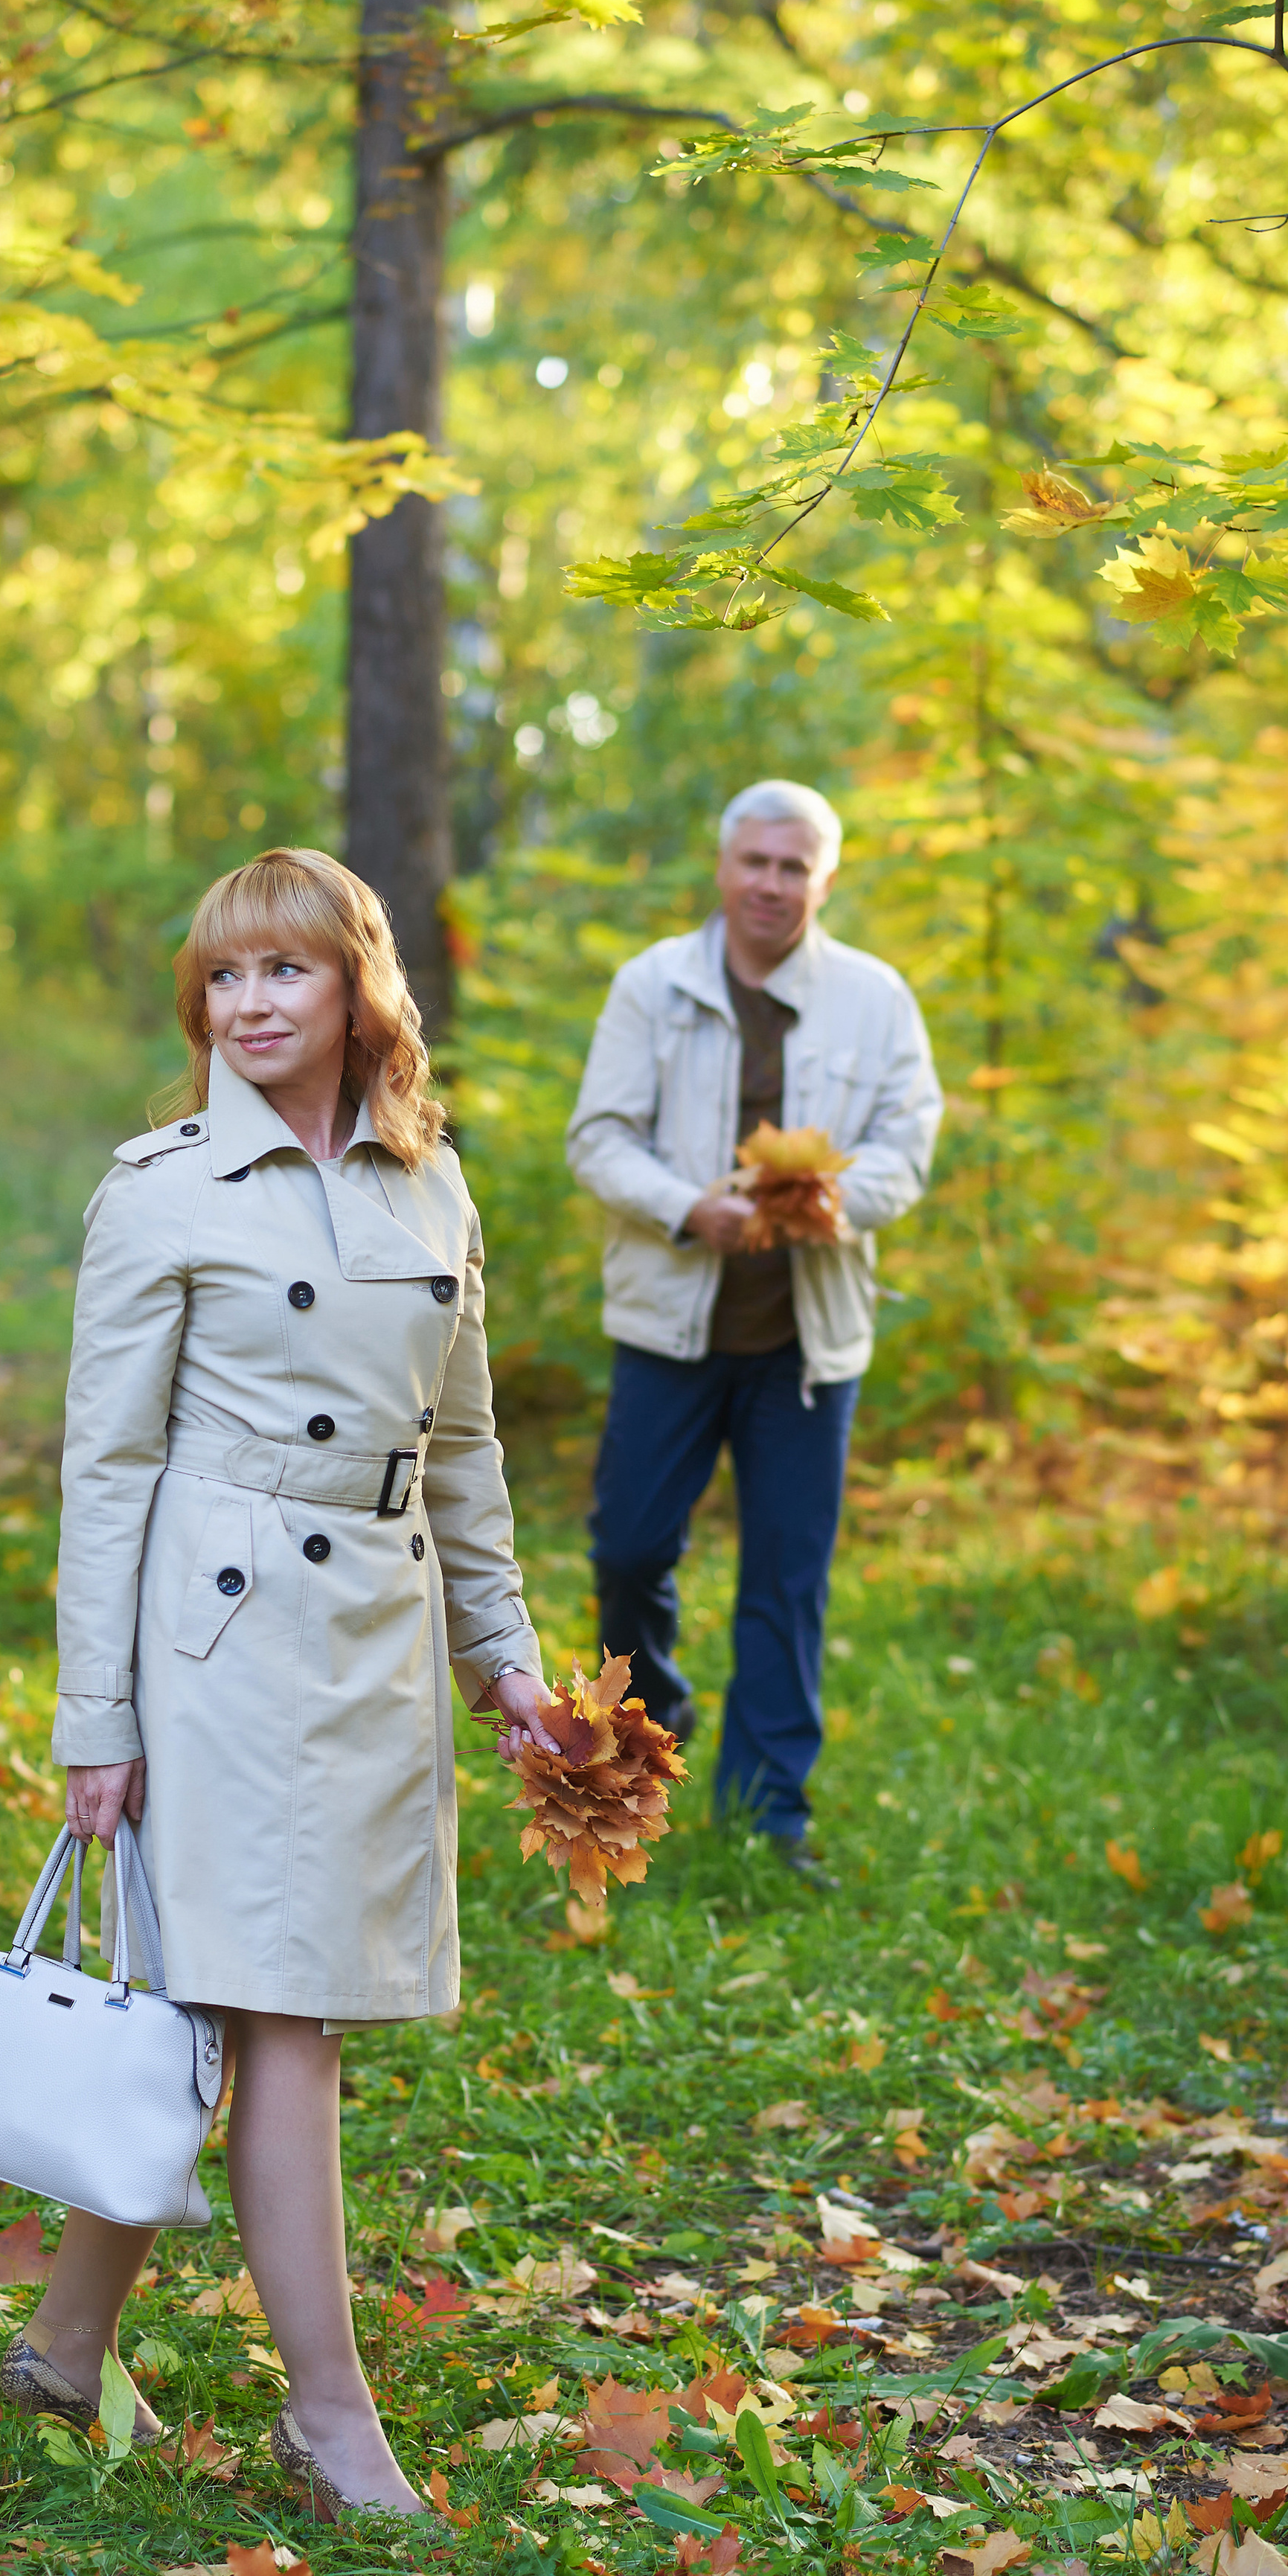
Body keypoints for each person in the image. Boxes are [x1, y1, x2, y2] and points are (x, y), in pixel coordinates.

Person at [1, 847, 557, 2516]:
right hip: (218, 1638)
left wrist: (504, 1656)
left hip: (372, 1644)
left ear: (355, 994)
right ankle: (329, 2418)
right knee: (282, 2008)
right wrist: (93, 1724)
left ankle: (61, 2349)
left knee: (214, 1999)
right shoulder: (159, 1187)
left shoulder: (430, 1190)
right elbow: (103, 1469)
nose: (245, 1005)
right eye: (221, 979)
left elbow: (457, 1446)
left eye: (282, 974)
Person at [565, 781, 941, 1888]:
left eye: (796, 867)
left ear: (826, 878)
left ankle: (771, 1817)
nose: (773, 884)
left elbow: (906, 1146)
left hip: (808, 1344)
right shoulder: (653, 985)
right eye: (757, 863)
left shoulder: (876, 999)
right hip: (668, 1327)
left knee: (788, 1576)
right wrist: (693, 1207)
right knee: (629, 1547)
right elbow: (598, 1137)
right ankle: (646, 1755)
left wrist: (828, 1197)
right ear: (724, 869)